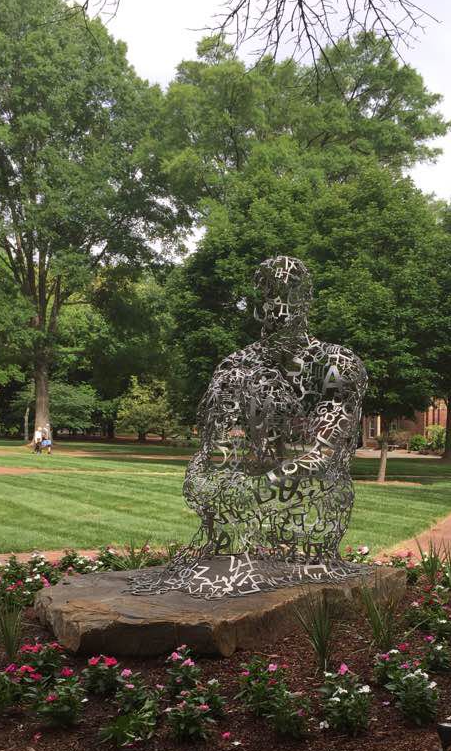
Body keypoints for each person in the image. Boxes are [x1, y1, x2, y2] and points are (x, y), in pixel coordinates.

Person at [128, 255, 367, 597]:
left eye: (289, 293)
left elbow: (325, 454)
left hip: (311, 523)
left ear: (307, 299)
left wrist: (255, 490)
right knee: (214, 564)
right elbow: (215, 455)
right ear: (257, 306)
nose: (279, 307)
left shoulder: (336, 364)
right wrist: (207, 484)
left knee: (311, 504)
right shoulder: (236, 369)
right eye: (269, 296)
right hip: (241, 524)